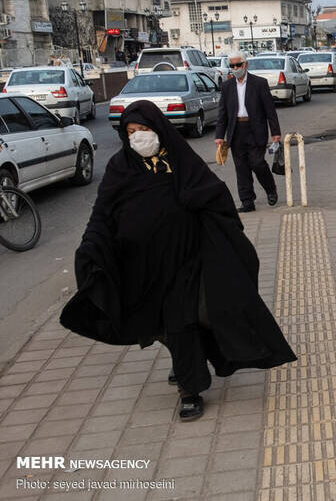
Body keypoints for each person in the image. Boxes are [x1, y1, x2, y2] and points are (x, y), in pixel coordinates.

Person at [60, 100, 296, 421]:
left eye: (144, 129)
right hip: (142, 265)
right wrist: (90, 246)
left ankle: (190, 388)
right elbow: (103, 212)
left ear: (158, 128)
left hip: (188, 258)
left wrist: (192, 200)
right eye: (131, 132)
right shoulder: (120, 167)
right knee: (159, 325)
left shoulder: (181, 160)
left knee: (181, 319)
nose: (139, 137)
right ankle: (183, 361)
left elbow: (216, 195)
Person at [215, 51, 281, 212]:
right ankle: (247, 201)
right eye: (232, 66)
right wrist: (219, 136)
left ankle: (271, 189)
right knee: (241, 167)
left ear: (246, 64)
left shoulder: (259, 83)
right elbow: (222, 113)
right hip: (236, 131)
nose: (235, 68)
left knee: (257, 163)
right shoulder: (227, 86)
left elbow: (270, 111)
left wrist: (275, 133)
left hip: (255, 129)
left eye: (238, 64)